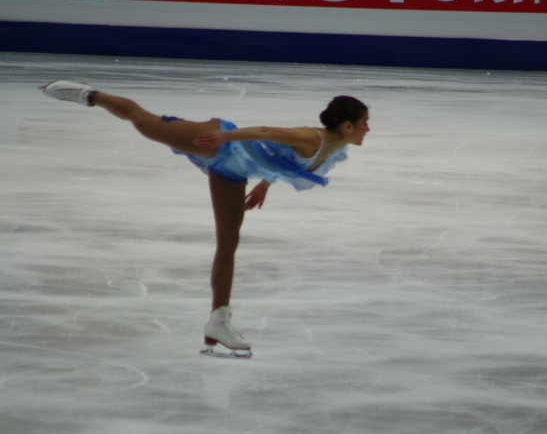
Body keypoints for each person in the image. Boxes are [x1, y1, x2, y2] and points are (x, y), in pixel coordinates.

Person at [40, 81, 370, 358]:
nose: (368, 129)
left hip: (234, 172)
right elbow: (267, 132)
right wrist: (224, 137)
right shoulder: (312, 138)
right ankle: (89, 95)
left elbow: (284, 161)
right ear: (347, 125)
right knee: (144, 122)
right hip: (220, 145)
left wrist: (264, 184)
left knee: (229, 242)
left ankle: (218, 321)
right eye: (365, 122)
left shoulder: (336, 148)